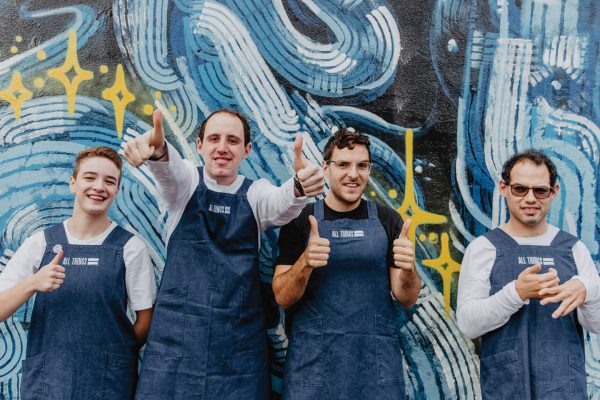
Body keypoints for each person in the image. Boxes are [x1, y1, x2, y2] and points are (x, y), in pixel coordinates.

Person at [123, 108, 324, 399]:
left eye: (232, 140)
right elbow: (169, 170)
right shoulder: (185, 185)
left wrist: (299, 186)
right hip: (176, 342)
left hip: (238, 348)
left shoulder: (256, 194)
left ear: (247, 150)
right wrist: (158, 152)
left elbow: (281, 203)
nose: (222, 147)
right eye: (214, 138)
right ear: (200, 146)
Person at [273, 128, 420, 399]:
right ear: (326, 168)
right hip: (313, 371)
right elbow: (282, 296)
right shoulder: (300, 219)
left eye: (362, 166)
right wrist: (306, 261)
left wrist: (409, 268)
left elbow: (406, 297)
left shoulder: (389, 220)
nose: (353, 174)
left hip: (375, 372)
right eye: (343, 165)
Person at [0, 146, 156, 399]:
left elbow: (145, 321)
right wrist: (32, 283)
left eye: (109, 181)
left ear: (116, 190)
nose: (99, 187)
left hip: (108, 385)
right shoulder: (40, 244)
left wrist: (110, 356)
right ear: (73, 183)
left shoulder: (130, 248)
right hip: (47, 383)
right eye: (90, 177)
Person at [457, 149, 600, 399]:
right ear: (503, 188)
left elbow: (596, 324)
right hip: (506, 387)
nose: (530, 198)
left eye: (540, 190)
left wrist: (588, 291)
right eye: (520, 189)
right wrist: (516, 293)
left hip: (563, 388)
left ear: (553, 192)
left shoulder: (574, 249)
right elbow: (469, 324)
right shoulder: (483, 249)